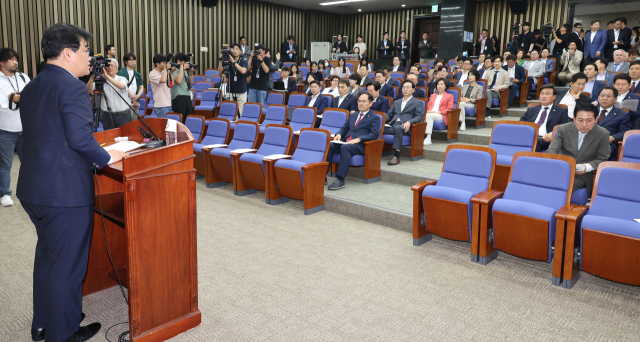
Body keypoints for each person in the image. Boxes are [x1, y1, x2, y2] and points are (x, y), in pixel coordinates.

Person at [19, 22, 128, 342]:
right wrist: (112, 158)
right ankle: (62, 333)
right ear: (68, 54)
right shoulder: (71, 87)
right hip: (64, 193)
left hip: (34, 187)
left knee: (49, 258)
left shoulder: (33, 86)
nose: (88, 58)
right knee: (67, 265)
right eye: (85, 51)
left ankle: (43, 323)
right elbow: (80, 139)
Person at [548, 104, 611, 197]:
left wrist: (586, 167)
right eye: (580, 120)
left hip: (583, 175)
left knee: (563, 187)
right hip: (561, 169)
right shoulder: (563, 129)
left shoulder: (603, 133)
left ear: (596, 119)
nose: (584, 125)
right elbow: (551, 152)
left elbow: (602, 158)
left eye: (589, 120)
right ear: (574, 119)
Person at [325, 93, 381, 190]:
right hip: (347, 142)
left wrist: (359, 139)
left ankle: (340, 179)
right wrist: (339, 134)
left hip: (361, 145)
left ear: (371, 103)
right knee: (330, 145)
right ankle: (323, 175)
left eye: (364, 101)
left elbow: (374, 134)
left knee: (345, 147)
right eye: (359, 101)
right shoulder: (353, 115)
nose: (361, 103)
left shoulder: (374, 117)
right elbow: (344, 128)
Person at [0, 48, 29, 207]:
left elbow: (32, 96)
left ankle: (28, 189)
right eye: (12, 59)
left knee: (28, 162)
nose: (16, 62)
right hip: (5, 130)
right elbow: (5, 103)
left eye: (16, 59)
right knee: (5, 164)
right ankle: (4, 193)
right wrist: (12, 98)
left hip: (26, 129)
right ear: (2, 63)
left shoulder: (23, 77)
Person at [383, 80, 424, 165]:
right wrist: (380, 120)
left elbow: (419, 117)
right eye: (404, 87)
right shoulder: (397, 102)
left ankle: (396, 156)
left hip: (405, 128)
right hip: (393, 126)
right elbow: (389, 114)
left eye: (408, 87)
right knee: (378, 127)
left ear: (413, 90)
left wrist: (409, 122)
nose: (405, 89)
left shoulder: (417, 102)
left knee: (398, 128)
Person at [87, 58, 134, 129]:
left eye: (112, 66)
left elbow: (121, 86)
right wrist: (92, 77)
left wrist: (107, 76)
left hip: (123, 115)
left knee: (125, 137)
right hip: (107, 116)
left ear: (117, 70)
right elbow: (89, 91)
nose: (109, 68)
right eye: (107, 66)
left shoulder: (122, 79)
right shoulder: (100, 80)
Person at [520, 84, 570, 151]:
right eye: (542, 94)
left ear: (554, 97)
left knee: (534, 142)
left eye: (547, 94)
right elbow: (521, 123)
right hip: (528, 136)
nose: (544, 96)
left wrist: (553, 133)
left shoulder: (562, 111)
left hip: (544, 139)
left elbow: (564, 126)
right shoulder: (532, 109)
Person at [595, 86, 633, 160]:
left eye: (608, 96)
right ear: (598, 97)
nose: (605, 98)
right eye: (602, 95)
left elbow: (623, 132)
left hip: (607, 143)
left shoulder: (623, 114)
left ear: (615, 99)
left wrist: (613, 137)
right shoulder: (589, 111)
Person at [218, 43, 249, 114]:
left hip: (241, 91)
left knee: (240, 113)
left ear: (240, 51)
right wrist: (220, 61)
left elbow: (243, 71)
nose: (235, 50)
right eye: (233, 49)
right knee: (231, 112)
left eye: (237, 49)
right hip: (230, 90)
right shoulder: (227, 61)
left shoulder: (243, 61)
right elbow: (220, 72)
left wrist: (234, 62)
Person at [424, 78, 455, 145]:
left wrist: (440, 112)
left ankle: (428, 137)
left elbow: (450, 108)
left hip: (441, 115)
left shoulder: (450, 96)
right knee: (425, 115)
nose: (439, 86)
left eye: (441, 84)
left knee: (428, 116)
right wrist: (428, 111)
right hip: (431, 113)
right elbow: (428, 106)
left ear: (446, 86)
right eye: (438, 84)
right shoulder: (433, 96)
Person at [117, 53, 144, 118]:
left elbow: (141, 86)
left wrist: (137, 96)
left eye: (134, 60)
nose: (133, 62)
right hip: (126, 101)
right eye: (131, 60)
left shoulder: (137, 73)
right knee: (127, 122)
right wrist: (133, 99)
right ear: (126, 62)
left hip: (136, 100)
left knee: (134, 123)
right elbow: (123, 87)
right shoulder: (122, 72)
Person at [169, 53, 193, 118]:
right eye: (184, 62)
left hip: (187, 97)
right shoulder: (173, 70)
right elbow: (178, 81)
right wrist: (182, 68)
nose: (186, 64)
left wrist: (190, 73)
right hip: (178, 98)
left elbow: (191, 83)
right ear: (178, 61)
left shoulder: (184, 71)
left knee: (188, 119)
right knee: (180, 119)